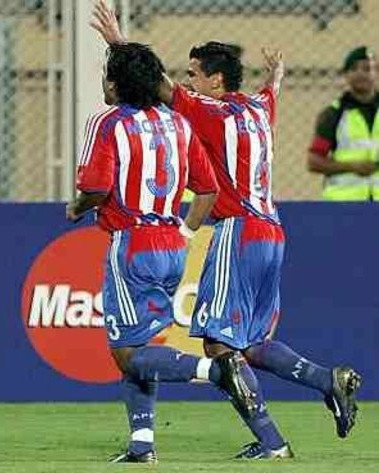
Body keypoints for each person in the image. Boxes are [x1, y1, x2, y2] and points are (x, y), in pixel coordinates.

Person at [91, 0, 362, 459]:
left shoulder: (208, 113)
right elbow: (271, 90)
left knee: (219, 346)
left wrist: (119, 42)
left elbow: (154, 85)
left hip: (238, 233)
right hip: (273, 232)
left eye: (195, 74)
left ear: (215, 80)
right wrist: (276, 75)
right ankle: (325, 380)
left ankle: (272, 442)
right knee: (251, 342)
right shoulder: (258, 108)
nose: (190, 82)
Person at [66, 41, 258, 464]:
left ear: (115, 84)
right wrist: (186, 234)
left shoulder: (108, 122)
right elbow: (207, 190)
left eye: (106, 76)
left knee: (129, 355)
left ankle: (216, 371)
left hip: (132, 242)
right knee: (143, 349)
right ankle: (142, 445)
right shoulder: (178, 124)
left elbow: (95, 189)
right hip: (172, 243)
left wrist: (76, 208)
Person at [308, 46, 379, 200]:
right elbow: (314, 161)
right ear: (346, 75)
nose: (361, 74)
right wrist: (352, 167)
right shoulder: (333, 114)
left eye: (367, 69)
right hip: (344, 205)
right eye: (354, 68)